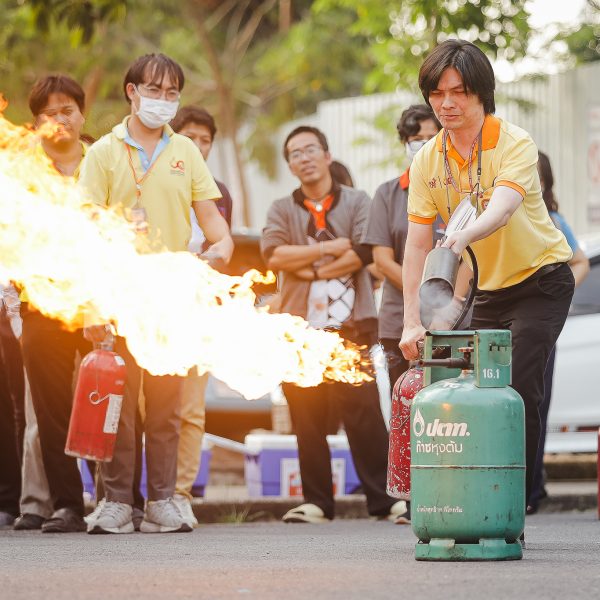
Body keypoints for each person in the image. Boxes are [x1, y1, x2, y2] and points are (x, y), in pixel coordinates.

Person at [399, 41, 575, 527]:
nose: (447, 104)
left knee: (517, 388)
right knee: (471, 389)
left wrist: (458, 239)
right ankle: (473, 497)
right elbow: (416, 246)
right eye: (437, 94)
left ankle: (510, 505)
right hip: (490, 291)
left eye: (459, 92)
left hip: (542, 281)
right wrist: (413, 320)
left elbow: (500, 209)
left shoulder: (513, 142)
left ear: (482, 94)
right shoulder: (426, 162)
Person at [80, 53, 233, 534]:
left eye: (172, 94)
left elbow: (214, 225)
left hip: (173, 302)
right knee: (117, 407)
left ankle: (163, 501)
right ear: (132, 91)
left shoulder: (185, 150)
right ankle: (116, 502)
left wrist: (222, 247)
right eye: (154, 91)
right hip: (118, 296)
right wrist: (93, 306)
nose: (163, 101)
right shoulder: (102, 152)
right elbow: (84, 231)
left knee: (166, 406)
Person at [261, 125, 407, 524]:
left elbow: (362, 252)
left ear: (327, 155)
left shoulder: (358, 201)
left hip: (352, 325)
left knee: (364, 414)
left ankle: (385, 499)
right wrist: (326, 250)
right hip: (299, 329)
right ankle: (317, 502)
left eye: (311, 150)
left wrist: (305, 263)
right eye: (295, 153)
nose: (304, 158)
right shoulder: (281, 209)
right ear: (289, 165)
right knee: (305, 416)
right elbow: (274, 256)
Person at [18, 75, 93, 533]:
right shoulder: (21, 171)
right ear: (37, 122)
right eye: (48, 113)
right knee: (49, 411)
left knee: (115, 405)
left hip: (105, 300)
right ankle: (68, 504)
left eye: (67, 110)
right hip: (42, 300)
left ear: (82, 113)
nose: (59, 119)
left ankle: (120, 499)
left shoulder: (105, 161)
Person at [169, 105, 234, 526]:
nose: (198, 144)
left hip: (197, 311)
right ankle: (128, 493)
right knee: (142, 406)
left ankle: (179, 493)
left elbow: (223, 249)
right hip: (152, 305)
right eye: (189, 136)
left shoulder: (219, 192)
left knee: (190, 410)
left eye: (205, 139)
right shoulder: (153, 181)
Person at [527, 151, 590, 514]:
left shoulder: (551, 220)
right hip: (500, 329)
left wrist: (556, 294)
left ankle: (531, 492)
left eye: (534, 172)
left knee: (535, 406)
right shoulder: (493, 217)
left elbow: (578, 262)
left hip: (541, 331)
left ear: (545, 181)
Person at [361, 105, 441, 389]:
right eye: (417, 137)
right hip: (400, 322)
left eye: (433, 136)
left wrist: (447, 300)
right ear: (405, 142)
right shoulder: (388, 194)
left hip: (454, 320)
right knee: (404, 404)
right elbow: (381, 260)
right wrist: (425, 290)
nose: (425, 144)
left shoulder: (459, 190)